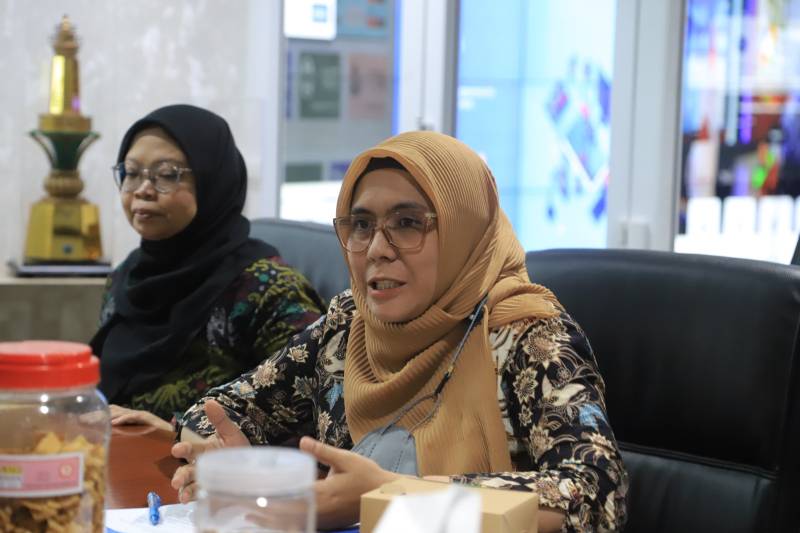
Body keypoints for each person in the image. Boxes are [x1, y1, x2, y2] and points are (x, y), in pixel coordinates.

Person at [170, 131, 628, 532]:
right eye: (361, 225)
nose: (377, 249)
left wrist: (391, 497)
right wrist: (228, 463)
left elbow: (596, 494)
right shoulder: (348, 324)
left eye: (408, 223)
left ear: (464, 227)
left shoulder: (529, 335)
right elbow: (217, 412)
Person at [90, 104, 325, 424]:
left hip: (212, 457)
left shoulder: (268, 290)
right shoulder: (126, 278)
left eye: (167, 175)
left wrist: (179, 431)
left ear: (212, 179)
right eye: (131, 173)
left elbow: (311, 408)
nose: (143, 190)